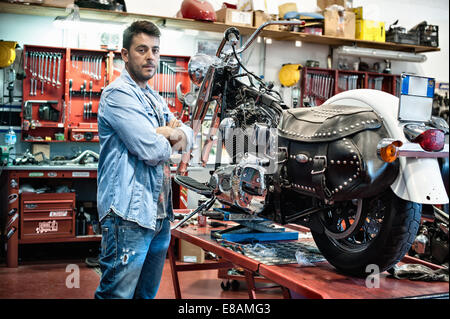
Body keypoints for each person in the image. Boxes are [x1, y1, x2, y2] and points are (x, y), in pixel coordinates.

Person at [95, 20, 193, 299]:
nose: (151, 57)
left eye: (155, 50)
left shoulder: (152, 97)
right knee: (117, 295)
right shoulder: (117, 95)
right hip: (128, 216)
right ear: (125, 54)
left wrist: (170, 132)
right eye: (142, 49)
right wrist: (169, 134)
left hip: (159, 216)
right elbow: (151, 150)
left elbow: (188, 137)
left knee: (145, 296)